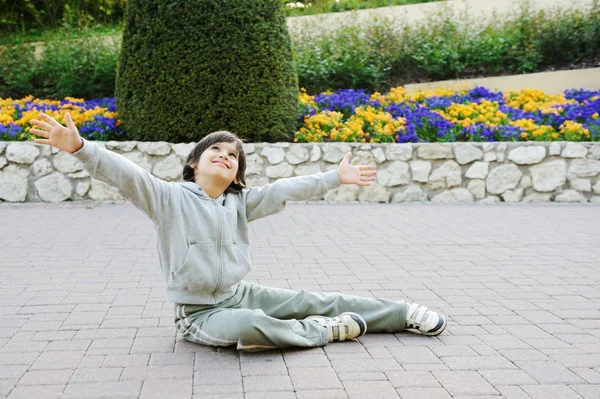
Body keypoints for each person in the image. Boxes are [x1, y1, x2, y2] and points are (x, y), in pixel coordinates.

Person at [30, 112, 446, 352]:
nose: (225, 157)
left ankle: (400, 313)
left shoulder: (239, 202)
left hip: (239, 292)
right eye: (216, 150)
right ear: (195, 163)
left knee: (313, 299)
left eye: (234, 156)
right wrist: (81, 148)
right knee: (251, 326)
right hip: (200, 314)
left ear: (237, 175)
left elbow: (285, 190)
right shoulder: (168, 198)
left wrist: (334, 177)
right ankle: (325, 330)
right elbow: (127, 175)